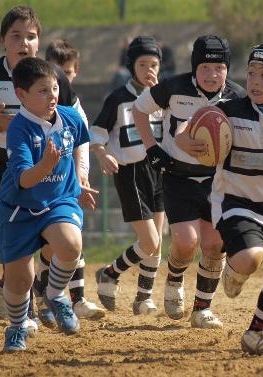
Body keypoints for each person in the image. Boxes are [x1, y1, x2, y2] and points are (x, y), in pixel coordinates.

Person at [0, 5, 89, 327]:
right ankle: (21, 306)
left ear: (39, 41)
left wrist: (82, 172)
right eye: (16, 36)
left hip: (51, 170)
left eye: (32, 36)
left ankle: (40, 291)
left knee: (56, 240)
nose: (24, 43)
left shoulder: (52, 79)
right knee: (11, 238)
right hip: (1, 166)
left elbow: (80, 127)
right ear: (3, 41)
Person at [178, 42, 263, 357]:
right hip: (235, 201)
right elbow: (189, 125)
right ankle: (234, 268)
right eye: (251, 73)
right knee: (250, 258)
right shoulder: (229, 110)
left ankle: (257, 332)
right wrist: (186, 139)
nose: (254, 81)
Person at [129, 35, 246, 328]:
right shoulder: (173, 87)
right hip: (177, 177)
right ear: (194, 67)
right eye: (205, 67)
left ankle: (202, 309)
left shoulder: (237, 97)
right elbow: (139, 110)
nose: (211, 74)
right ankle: (174, 279)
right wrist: (152, 148)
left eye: (219, 68)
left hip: (217, 181)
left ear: (227, 70)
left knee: (215, 242)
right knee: (185, 242)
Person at [0, 57, 95, 351]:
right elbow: (25, 180)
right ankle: (16, 327)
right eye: (42, 90)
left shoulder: (71, 117)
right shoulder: (19, 129)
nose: (52, 95)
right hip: (19, 208)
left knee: (70, 244)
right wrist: (48, 164)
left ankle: (55, 294)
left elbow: (80, 142)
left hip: (58, 201)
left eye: (54, 88)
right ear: (21, 95)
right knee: (20, 278)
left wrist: (79, 177)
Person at [91, 36, 165, 316]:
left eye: (154, 64)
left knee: (157, 240)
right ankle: (109, 273)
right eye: (142, 64)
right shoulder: (118, 98)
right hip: (131, 172)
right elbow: (96, 133)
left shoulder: (162, 96)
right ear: (131, 66)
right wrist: (102, 153)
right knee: (150, 242)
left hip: (159, 170)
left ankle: (143, 298)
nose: (149, 70)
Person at [41, 38, 106, 321]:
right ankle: (41, 297)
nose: (60, 81)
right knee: (46, 246)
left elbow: (83, 136)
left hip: (65, 178)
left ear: (75, 72)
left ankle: (77, 299)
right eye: (55, 73)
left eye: (66, 74)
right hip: (40, 180)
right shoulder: (36, 101)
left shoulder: (72, 106)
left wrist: (81, 173)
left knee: (72, 235)